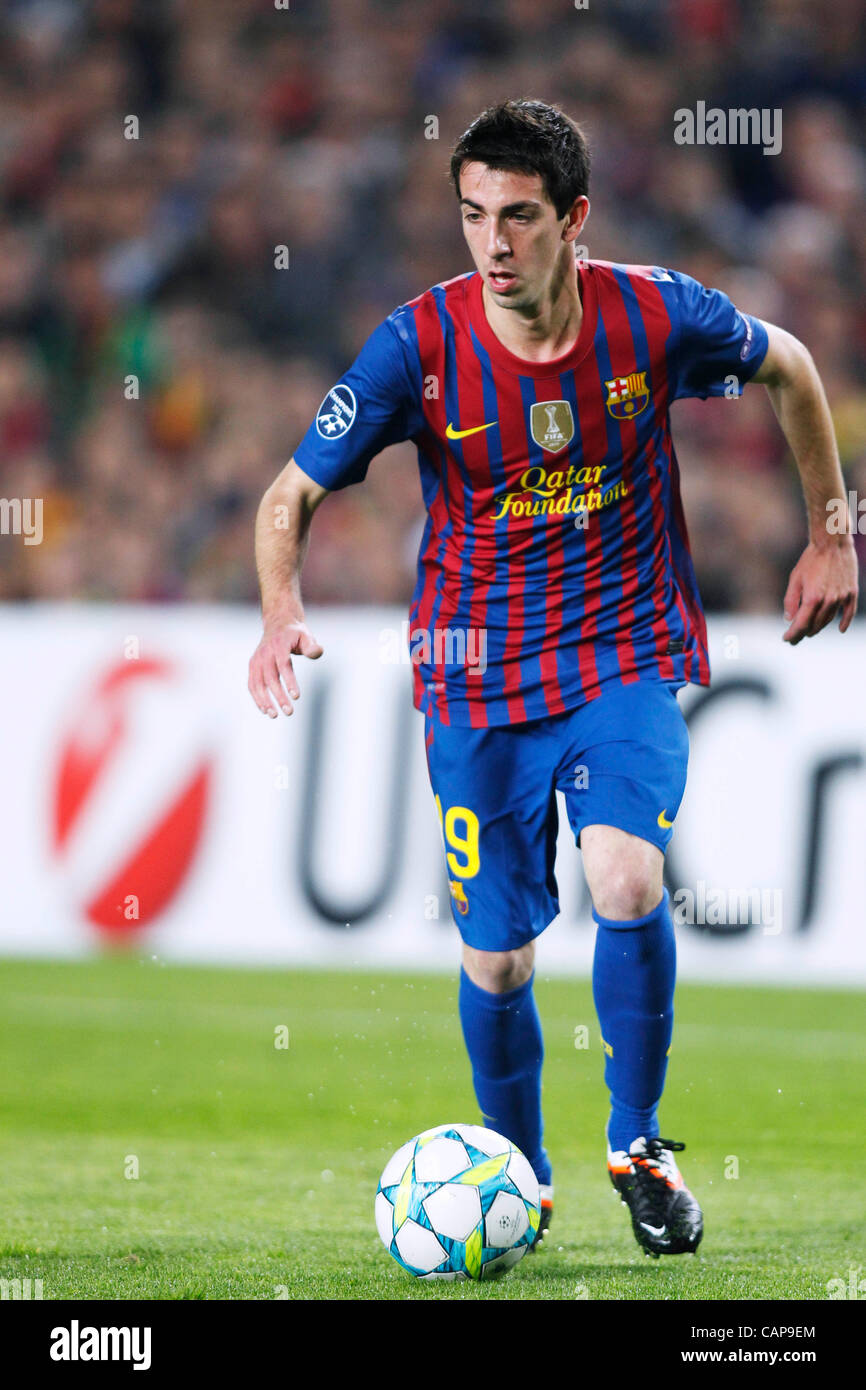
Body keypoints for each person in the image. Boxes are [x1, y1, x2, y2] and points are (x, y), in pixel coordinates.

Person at [247, 100, 858, 1258]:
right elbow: (290, 496)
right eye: (473, 215)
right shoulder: (416, 347)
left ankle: (636, 1141)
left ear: (573, 219)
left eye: (519, 217)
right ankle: (516, 1174)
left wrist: (831, 530)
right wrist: (281, 608)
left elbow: (792, 366)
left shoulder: (654, 314)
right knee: (499, 955)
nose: (492, 243)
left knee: (626, 876)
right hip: (474, 683)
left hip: (620, 660)